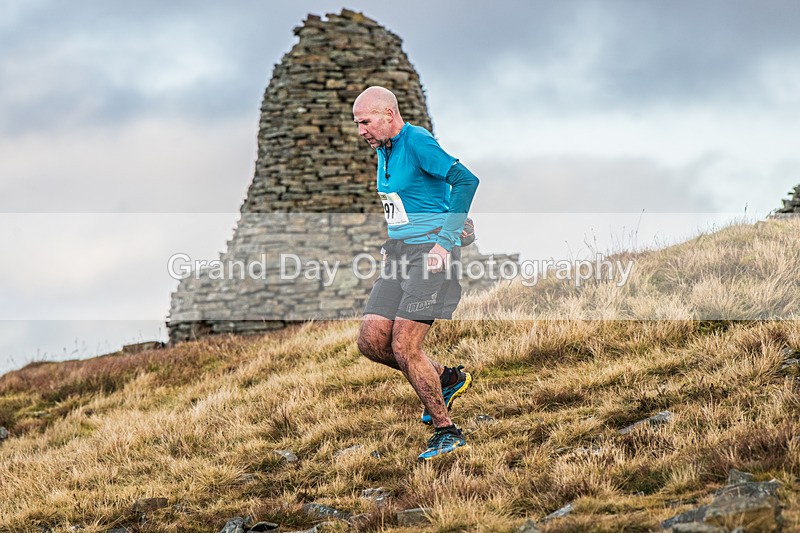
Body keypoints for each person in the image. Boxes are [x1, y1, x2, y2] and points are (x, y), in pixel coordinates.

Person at [352, 86, 480, 461]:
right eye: (357, 124)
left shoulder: (417, 141)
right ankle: (446, 379)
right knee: (372, 341)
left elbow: (465, 181)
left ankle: (447, 431)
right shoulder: (383, 149)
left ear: (389, 114)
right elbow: (411, 201)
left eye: (366, 122)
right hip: (399, 255)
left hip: (431, 256)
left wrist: (447, 239)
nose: (361, 130)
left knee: (405, 346)